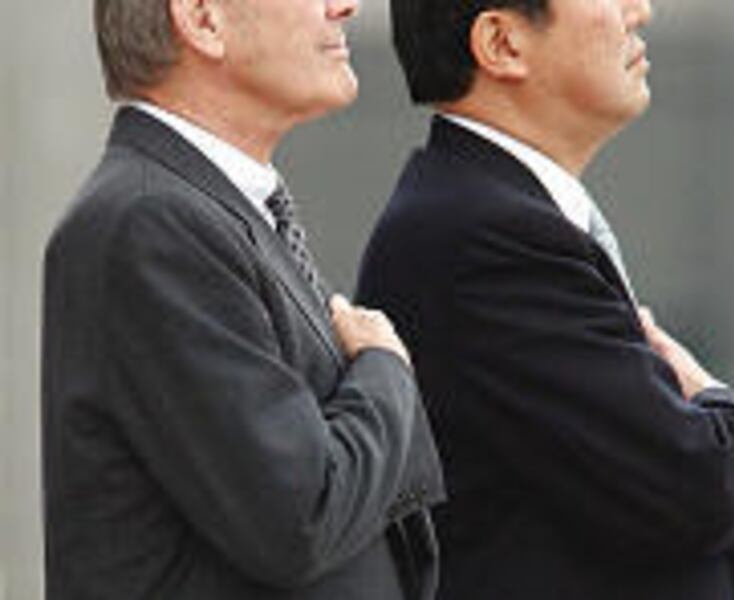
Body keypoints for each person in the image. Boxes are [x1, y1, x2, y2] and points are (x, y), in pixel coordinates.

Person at [356, 0, 734, 598]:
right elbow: (702, 486)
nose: (641, 12)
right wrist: (713, 399)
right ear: (502, 43)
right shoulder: (483, 235)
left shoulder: (498, 215)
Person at [41, 0, 446, 598]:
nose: (345, 7)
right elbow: (300, 515)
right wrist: (385, 372)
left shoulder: (203, 211)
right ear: (203, 19)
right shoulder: (152, 220)